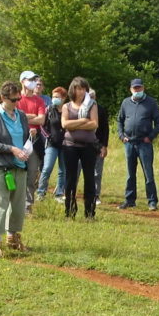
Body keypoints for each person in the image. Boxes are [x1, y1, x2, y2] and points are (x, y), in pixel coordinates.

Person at [0, 80, 30, 257]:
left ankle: (13, 238)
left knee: (18, 206)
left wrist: (27, 146)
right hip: (1, 167)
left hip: (20, 166)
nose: (16, 102)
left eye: (18, 98)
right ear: (3, 98)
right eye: (12, 99)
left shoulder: (21, 115)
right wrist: (11, 149)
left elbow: (24, 136)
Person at [117, 78, 159, 210]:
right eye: (135, 88)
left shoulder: (151, 103)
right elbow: (119, 121)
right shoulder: (125, 103)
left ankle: (152, 201)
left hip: (144, 143)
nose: (137, 90)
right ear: (130, 89)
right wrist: (121, 136)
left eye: (139, 88)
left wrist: (151, 136)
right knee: (130, 174)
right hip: (129, 143)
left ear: (143, 88)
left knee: (148, 173)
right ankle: (129, 200)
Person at [62, 77, 100, 219]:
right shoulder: (66, 106)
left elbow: (94, 124)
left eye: (84, 89)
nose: (81, 91)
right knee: (71, 178)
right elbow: (64, 124)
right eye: (78, 88)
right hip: (70, 146)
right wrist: (83, 121)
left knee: (89, 178)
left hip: (88, 146)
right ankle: (70, 211)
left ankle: (90, 212)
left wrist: (75, 124)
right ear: (73, 89)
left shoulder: (92, 105)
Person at [18, 70, 47, 212]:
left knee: (32, 173)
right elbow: (14, 117)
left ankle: (27, 205)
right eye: (30, 79)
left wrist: (24, 116)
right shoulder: (16, 99)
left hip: (35, 141)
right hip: (18, 140)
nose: (33, 82)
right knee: (17, 172)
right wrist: (30, 117)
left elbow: (41, 119)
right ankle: (16, 202)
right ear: (22, 81)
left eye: (35, 80)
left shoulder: (39, 100)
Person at [37, 86, 67, 202]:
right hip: (51, 144)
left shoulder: (67, 110)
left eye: (57, 97)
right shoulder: (48, 109)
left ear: (64, 98)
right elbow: (42, 125)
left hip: (65, 145)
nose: (54, 99)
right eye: (53, 97)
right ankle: (41, 192)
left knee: (62, 171)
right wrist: (48, 136)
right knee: (47, 168)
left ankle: (59, 194)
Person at [90, 88, 110, 205]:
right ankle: (70, 193)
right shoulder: (81, 108)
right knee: (76, 170)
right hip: (83, 144)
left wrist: (104, 146)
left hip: (98, 145)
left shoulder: (101, 110)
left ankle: (96, 195)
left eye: (93, 97)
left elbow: (105, 129)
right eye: (89, 97)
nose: (91, 99)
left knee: (97, 172)